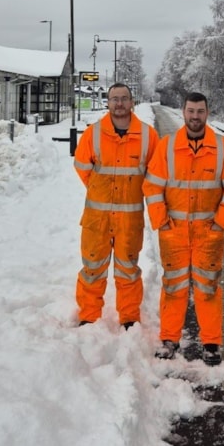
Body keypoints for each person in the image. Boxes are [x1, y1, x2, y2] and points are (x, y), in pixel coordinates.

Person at [143, 92, 224, 365]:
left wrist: (221, 222)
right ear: (183, 112)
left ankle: (211, 343)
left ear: (207, 113)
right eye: (191, 111)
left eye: (200, 111)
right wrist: (162, 221)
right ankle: (169, 339)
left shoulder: (223, 148)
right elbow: (152, 186)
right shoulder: (167, 147)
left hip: (208, 232)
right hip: (173, 230)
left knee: (208, 288)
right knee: (173, 286)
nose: (195, 116)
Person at [73, 83, 159, 328]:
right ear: (108, 103)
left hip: (129, 219)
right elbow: (82, 166)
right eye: (114, 99)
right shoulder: (94, 133)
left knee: (128, 269)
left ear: (132, 102)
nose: (119, 103)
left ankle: (129, 317)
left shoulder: (147, 135)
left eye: (124, 98)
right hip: (96, 217)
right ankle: (89, 315)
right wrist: (98, 189)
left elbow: (155, 174)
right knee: (92, 267)